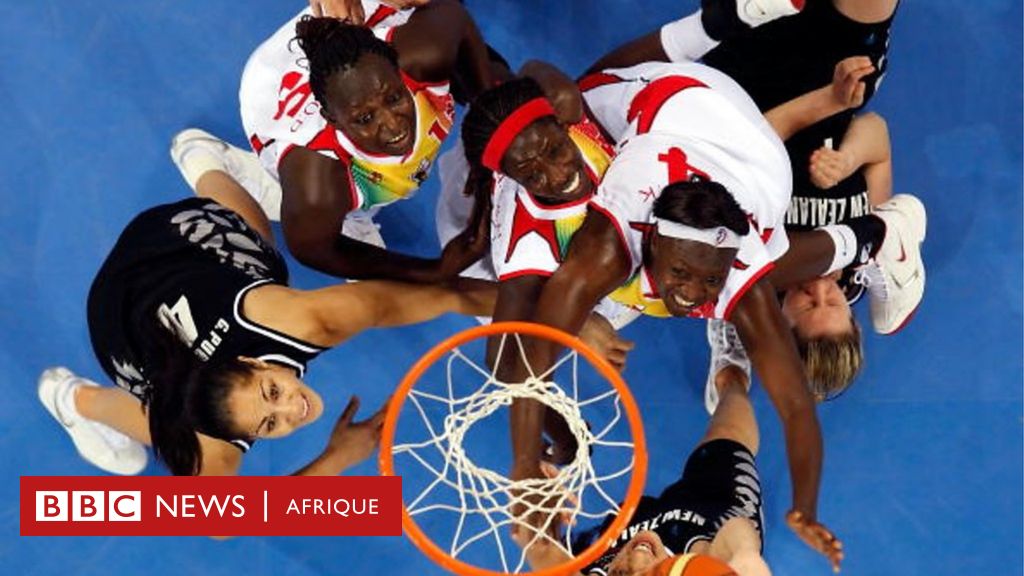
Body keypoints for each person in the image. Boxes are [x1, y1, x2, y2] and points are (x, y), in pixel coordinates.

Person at [38, 138, 496, 477]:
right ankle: (71, 399)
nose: (292, 410)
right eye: (269, 424)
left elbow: (450, 294)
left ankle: (201, 159)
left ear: (255, 362)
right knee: (167, 423)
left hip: (168, 247)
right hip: (119, 329)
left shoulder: (306, 321)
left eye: (272, 392)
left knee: (262, 252)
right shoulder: (218, 440)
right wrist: (333, 460)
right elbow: (225, 524)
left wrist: (545, 314)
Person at [232, 0, 500, 282]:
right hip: (268, 87)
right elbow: (313, 250)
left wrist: (486, 112)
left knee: (502, 94)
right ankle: (351, 219)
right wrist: (434, 270)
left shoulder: (425, 54)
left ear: (399, 71)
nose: (392, 125)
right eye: (365, 119)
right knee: (341, 219)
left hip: (362, 36)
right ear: (332, 120)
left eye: (394, 98)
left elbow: (454, 15)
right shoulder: (320, 184)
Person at [512, 332, 774, 576]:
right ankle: (732, 378)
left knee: (566, 546)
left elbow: (538, 545)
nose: (638, 556)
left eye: (623, 573)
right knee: (726, 437)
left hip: (621, 538)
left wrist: (538, 504)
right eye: (648, 573)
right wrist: (745, 555)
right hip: (706, 519)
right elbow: (736, 529)